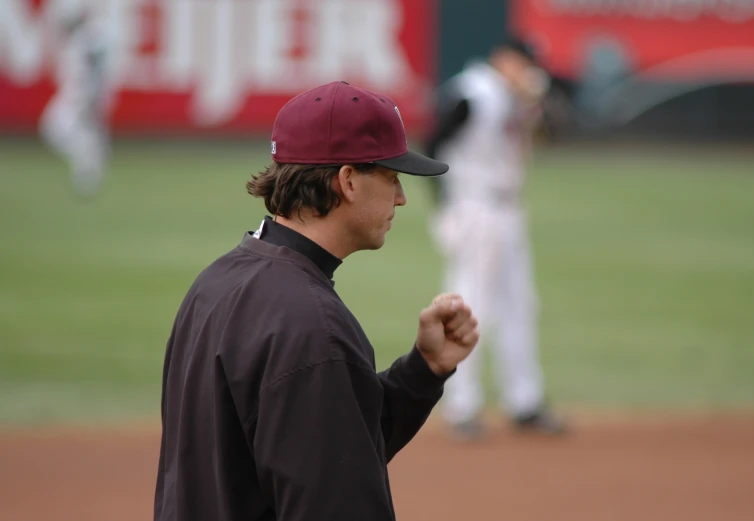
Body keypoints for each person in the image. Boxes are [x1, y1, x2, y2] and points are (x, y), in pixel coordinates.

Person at [154, 81, 480, 521]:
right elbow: (335, 497)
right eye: (391, 176)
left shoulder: (215, 283)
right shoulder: (313, 324)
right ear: (347, 180)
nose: (401, 198)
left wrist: (423, 371)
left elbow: (328, 444)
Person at [424, 36, 567, 441]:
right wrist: (445, 206)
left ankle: (524, 402)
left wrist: (535, 103)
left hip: (509, 210)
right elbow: (433, 141)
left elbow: (557, 131)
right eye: (524, 62)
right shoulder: (472, 93)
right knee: (471, 307)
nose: (528, 71)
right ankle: (461, 407)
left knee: (520, 305)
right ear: (503, 59)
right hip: (475, 208)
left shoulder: (517, 95)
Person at [39, 1, 112, 198]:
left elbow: (95, 67)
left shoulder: (87, 38)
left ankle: (88, 172)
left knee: (59, 128)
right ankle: (89, 168)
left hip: (80, 97)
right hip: (79, 95)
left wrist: (91, 97)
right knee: (82, 135)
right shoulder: (79, 40)